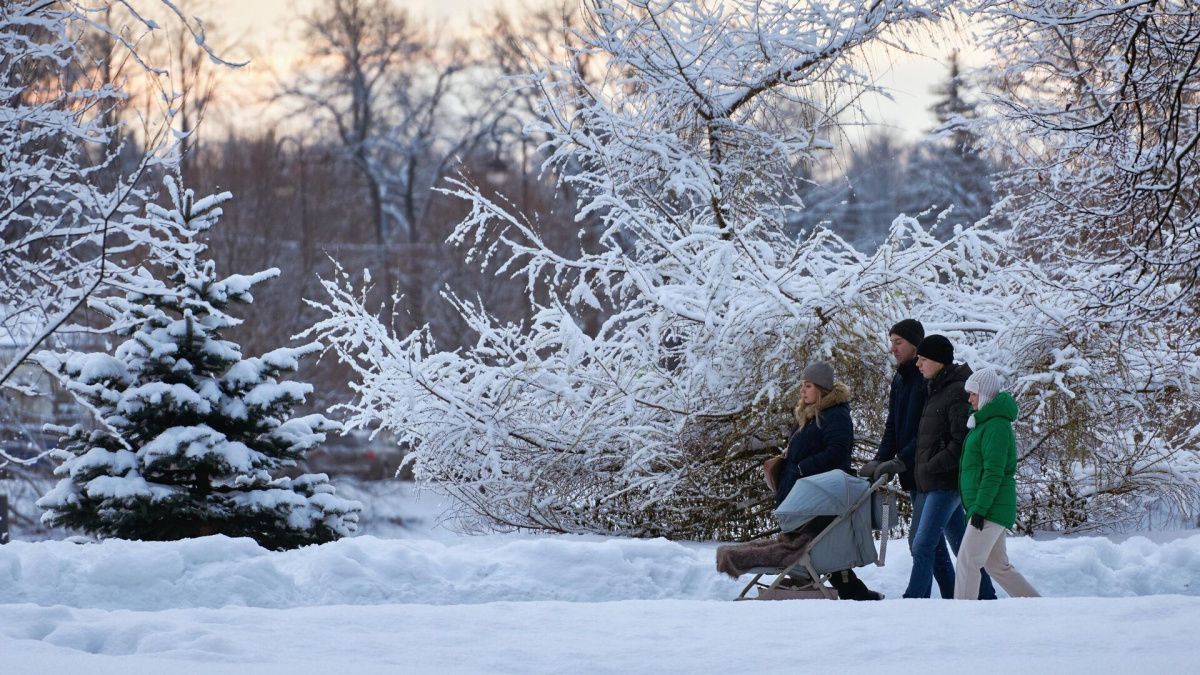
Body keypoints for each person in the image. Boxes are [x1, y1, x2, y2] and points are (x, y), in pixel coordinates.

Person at [766, 360, 883, 600]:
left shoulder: (835, 415)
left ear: (821, 388)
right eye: (802, 385)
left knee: (816, 543)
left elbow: (838, 452)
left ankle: (844, 589)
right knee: (813, 543)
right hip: (803, 489)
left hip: (818, 493)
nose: (802, 390)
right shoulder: (811, 415)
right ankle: (833, 587)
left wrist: (802, 467)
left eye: (807, 385)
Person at [859, 319, 960, 597]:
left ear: (916, 345)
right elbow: (893, 424)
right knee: (938, 544)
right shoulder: (901, 377)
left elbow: (926, 432)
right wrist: (881, 459)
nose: (892, 348)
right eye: (891, 342)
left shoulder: (925, 379)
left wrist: (900, 460)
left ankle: (920, 600)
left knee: (925, 542)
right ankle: (959, 598)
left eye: (898, 342)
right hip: (916, 473)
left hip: (928, 472)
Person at [900, 335, 996, 599]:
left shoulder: (956, 392)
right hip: (928, 482)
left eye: (923, 359)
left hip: (945, 482)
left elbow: (960, 442)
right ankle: (982, 597)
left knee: (922, 546)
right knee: (958, 547)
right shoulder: (934, 389)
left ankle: (914, 601)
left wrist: (931, 465)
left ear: (939, 361)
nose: (917, 364)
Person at [954, 368, 1041, 600]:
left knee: (967, 562)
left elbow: (994, 472)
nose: (969, 398)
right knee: (997, 566)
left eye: (973, 394)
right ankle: (1038, 606)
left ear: (985, 394)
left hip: (990, 507)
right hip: (988, 506)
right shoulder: (984, 423)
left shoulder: (996, 426)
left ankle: (960, 618)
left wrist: (980, 509)